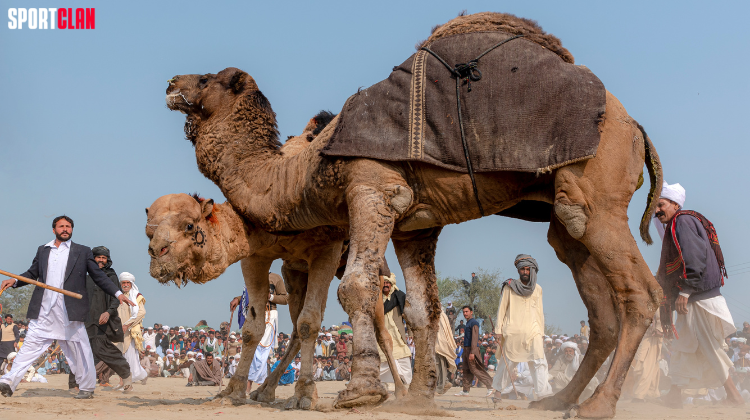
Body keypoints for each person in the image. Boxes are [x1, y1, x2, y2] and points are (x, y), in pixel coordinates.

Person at [0, 216, 134, 399]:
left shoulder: (82, 251)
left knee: (79, 351)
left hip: (69, 311)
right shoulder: (43, 250)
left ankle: (86, 387)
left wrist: (118, 294)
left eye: (68, 226)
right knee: (29, 346)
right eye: (61, 226)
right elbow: (33, 273)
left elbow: (99, 276)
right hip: (44, 310)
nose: (65, 229)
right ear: (54, 229)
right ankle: (9, 382)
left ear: (72, 229)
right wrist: (14, 280)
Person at [655, 182, 744, 407]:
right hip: (695, 296)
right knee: (685, 346)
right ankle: (674, 395)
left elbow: (694, 259)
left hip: (698, 297)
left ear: (675, 204)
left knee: (709, 348)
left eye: (661, 204)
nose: (657, 210)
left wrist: (685, 291)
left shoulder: (682, 221)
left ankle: (734, 396)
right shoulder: (680, 221)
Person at [66, 245, 133, 394]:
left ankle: (127, 376)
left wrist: (108, 313)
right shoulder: (83, 274)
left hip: (102, 321)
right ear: (92, 258)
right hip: (84, 319)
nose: (101, 260)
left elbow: (116, 298)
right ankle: (73, 385)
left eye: (104, 258)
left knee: (103, 349)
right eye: (98, 257)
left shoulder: (110, 275)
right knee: (79, 351)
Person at [490, 254, 552, 402]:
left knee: (539, 363)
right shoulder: (509, 286)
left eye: (527, 269)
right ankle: (498, 390)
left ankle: (542, 395)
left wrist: (542, 333)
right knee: (508, 363)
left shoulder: (538, 289)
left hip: (533, 332)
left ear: (533, 270)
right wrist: (498, 330)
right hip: (513, 331)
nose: (525, 272)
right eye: (522, 269)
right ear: (518, 270)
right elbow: (502, 309)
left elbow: (539, 312)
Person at [228, 273, 287, 394]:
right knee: (252, 351)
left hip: (269, 315)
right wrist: (238, 299)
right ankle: (257, 386)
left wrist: (270, 297)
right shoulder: (252, 276)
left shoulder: (275, 278)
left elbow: (285, 298)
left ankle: (251, 386)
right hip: (254, 316)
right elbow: (248, 296)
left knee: (261, 353)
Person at [377, 270, 413, 388]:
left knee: (402, 356)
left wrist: (411, 332)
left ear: (392, 284)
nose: (386, 285)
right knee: (382, 359)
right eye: (384, 283)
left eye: (388, 283)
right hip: (381, 333)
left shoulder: (399, 296)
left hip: (397, 333)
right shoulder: (377, 298)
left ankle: (406, 384)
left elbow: (407, 314)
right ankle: (386, 385)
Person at [115, 273, 148, 387]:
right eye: (123, 283)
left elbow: (141, 312)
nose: (125, 285)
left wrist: (127, 324)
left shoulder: (137, 296)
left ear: (131, 284)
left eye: (127, 283)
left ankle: (127, 383)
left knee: (129, 357)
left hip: (130, 331)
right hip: (118, 330)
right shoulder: (117, 296)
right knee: (120, 356)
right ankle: (123, 382)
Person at [622, 310, 663, 402]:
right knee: (641, 365)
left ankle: (648, 393)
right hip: (644, 334)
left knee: (652, 365)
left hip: (655, 335)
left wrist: (659, 330)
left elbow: (662, 315)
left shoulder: (661, 302)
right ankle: (644, 394)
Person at [455, 305, 494, 396]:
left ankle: (491, 385)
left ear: (471, 312)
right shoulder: (468, 323)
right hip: (466, 348)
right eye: (464, 312)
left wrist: (472, 352)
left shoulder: (474, 323)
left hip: (472, 349)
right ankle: (465, 390)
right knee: (466, 369)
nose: (465, 313)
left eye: (466, 312)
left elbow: (475, 338)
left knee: (475, 369)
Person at [435, 305, 457, 395]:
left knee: (441, 364)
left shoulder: (440, 316)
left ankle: (442, 385)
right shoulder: (440, 315)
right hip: (437, 344)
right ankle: (443, 383)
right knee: (437, 364)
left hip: (440, 344)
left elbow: (442, 333)